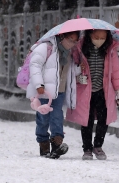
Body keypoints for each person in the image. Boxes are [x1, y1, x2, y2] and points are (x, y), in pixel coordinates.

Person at [66, 29, 119, 160]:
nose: (99, 40)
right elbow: (71, 68)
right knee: (87, 120)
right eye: (96, 37)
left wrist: (118, 89)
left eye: (102, 38)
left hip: (104, 91)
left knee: (104, 119)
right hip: (85, 91)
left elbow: (116, 71)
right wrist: (78, 77)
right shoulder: (79, 49)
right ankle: (87, 148)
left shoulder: (110, 51)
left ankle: (98, 146)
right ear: (89, 36)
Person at [26, 31, 81, 159]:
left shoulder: (71, 53)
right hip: (44, 91)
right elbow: (35, 65)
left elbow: (72, 71)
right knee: (43, 119)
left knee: (57, 116)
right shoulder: (46, 47)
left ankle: (57, 145)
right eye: (70, 39)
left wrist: (80, 64)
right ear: (62, 36)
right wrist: (38, 84)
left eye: (75, 40)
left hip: (60, 91)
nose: (72, 43)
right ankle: (43, 144)